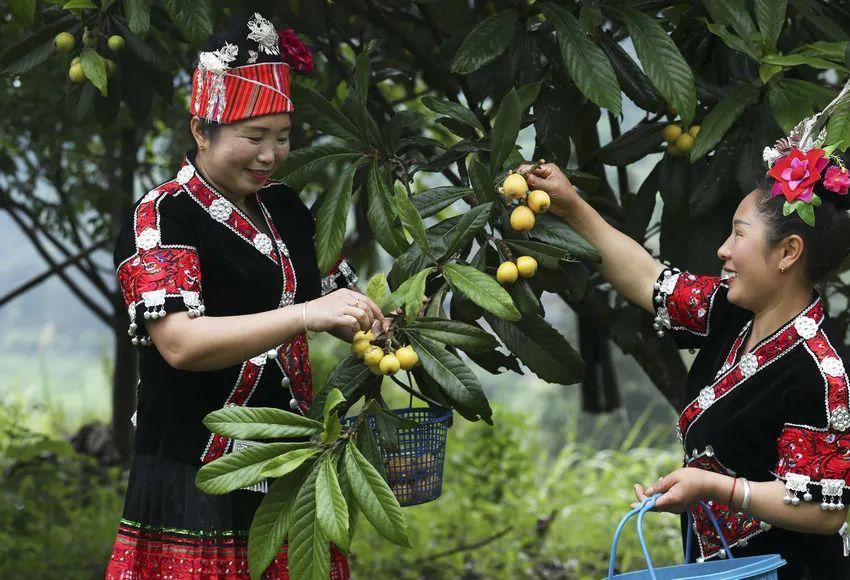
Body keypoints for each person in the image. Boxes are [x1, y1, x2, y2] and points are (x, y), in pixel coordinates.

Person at [519, 88, 850, 577]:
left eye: (738, 234)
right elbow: (645, 277)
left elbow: (828, 509)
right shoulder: (731, 311)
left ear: (788, 253)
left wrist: (717, 488)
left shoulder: (822, 374)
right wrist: (569, 205)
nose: (722, 250)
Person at [106, 14, 381, 579]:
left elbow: (341, 299)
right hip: (193, 468)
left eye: (282, 138)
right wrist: (304, 314)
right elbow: (180, 344)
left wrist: (390, 321)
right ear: (201, 132)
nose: (270, 155)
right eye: (253, 138)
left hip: (288, 455)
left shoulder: (285, 207)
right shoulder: (162, 217)